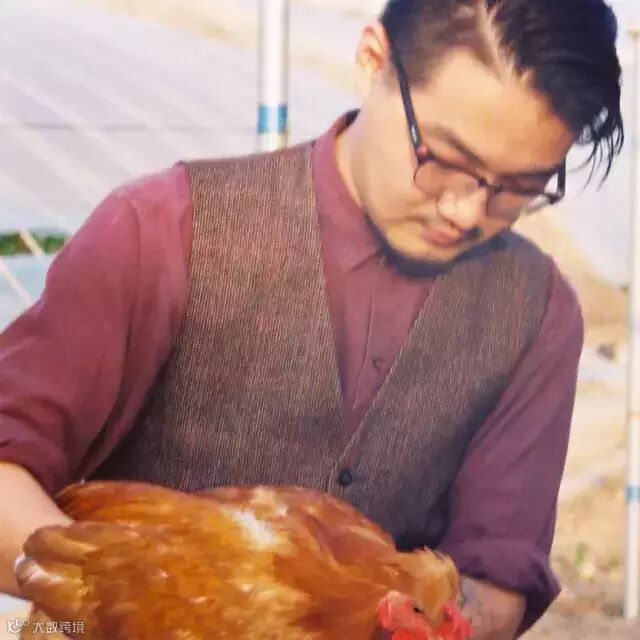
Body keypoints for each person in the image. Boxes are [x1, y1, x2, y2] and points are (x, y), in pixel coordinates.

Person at [0, 0, 624, 637]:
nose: (467, 211)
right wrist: (142, 594)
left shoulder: (536, 314)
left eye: (518, 187)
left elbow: (498, 575)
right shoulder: (165, 230)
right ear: (372, 62)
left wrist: (437, 623)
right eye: (443, 158)